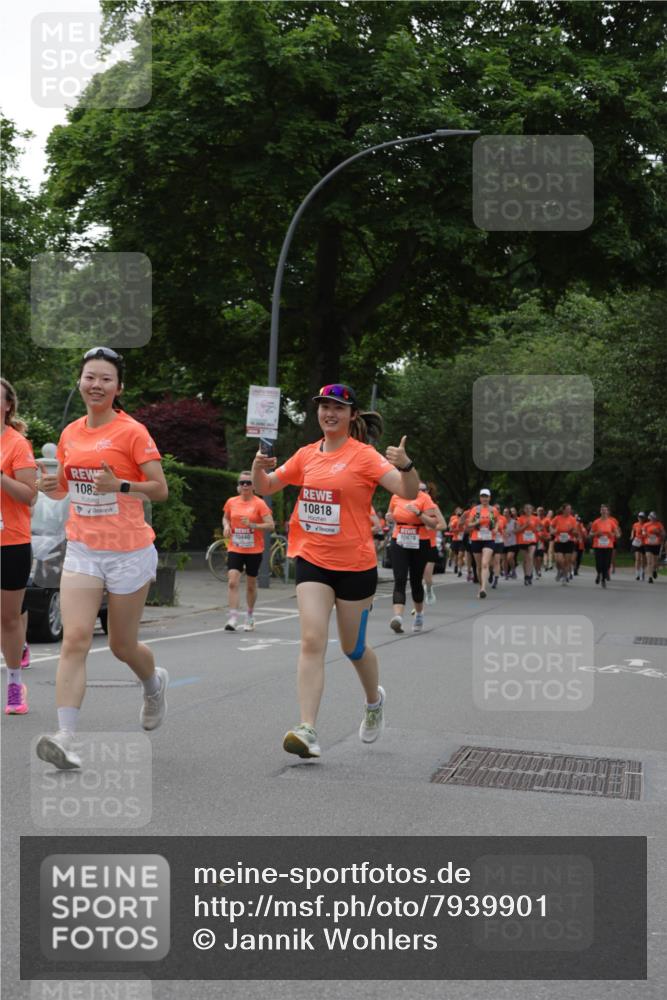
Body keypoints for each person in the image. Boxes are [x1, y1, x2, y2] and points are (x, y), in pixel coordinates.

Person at [252, 383, 420, 759]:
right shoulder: (305, 455)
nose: (330, 413)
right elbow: (267, 486)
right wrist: (257, 468)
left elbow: (406, 491)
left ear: (351, 416)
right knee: (312, 640)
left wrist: (406, 465)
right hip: (312, 559)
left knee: (353, 647)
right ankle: (307, 728)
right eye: (324, 406)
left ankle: (374, 701)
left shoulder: (365, 457)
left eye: (338, 408)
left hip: (356, 566)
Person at [35, 347, 169, 770]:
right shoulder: (71, 433)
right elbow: (69, 488)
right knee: (74, 639)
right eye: (90, 377)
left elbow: (160, 489)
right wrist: (50, 485)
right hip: (83, 549)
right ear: (80, 382)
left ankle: (152, 684)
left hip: (128, 551)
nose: (96, 384)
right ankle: (65, 736)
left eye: (105, 379)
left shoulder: (132, 432)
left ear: (118, 388)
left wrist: (122, 486)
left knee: (121, 645)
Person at [1, 378, 38, 715]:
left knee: (8, 618)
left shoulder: (17, 445)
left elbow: (30, 496)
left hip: (11, 541)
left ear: (8, 405)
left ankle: (14, 686)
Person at [222, 471, 274, 631]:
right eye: (242, 482)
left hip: (254, 550)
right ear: (238, 485)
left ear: (253, 486)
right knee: (232, 582)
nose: (245, 485)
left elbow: (271, 525)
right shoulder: (232, 502)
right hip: (235, 547)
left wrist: (254, 525)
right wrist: (226, 526)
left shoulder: (259, 504)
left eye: (248, 482)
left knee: (251, 585)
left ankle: (250, 616)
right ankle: (232, 617)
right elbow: (226, 517)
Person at [387, 483, 439, 632]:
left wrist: (419, 513)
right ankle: (398, 617)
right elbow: (390, 515)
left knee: (416, 580)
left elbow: (433, 523)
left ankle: (419, 614)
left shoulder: (425, 498)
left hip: (420, 541)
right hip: (399, 539)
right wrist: (389, 517)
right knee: (400, 578)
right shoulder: (396, 496)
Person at [466, 488, 500, 598]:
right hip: (476, 538)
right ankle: (481, 587)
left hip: (489, 539)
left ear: (489, 498)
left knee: (485, 563)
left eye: (486, 496)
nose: (484, 498)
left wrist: (495, 529)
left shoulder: (493, 510)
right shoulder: (475, 510)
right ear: (480, 498)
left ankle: (484, 588)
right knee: (479, 566)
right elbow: (469, 525)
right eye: (483, 496)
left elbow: (497, 521)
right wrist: (477, 522)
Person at [420, 482, 447, 603]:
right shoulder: (411, 505)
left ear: (428, 492)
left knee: (427, 577)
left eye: (423, 490)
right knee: (417, 576)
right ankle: (418, 600)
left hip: (430, 544)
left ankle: (429, 590)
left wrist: (432, 526)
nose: (421, 492)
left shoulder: (433, 507)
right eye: (418, 490)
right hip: (415, 545)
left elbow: (442, 526)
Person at [589, 505, 621, 588]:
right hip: (598, 545)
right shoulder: (596, 522)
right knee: (599, 563)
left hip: (608, 545)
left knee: (606, 563)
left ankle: (603, 579)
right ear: (600, 512)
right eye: (602, 510)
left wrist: (612, 534)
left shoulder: (611, 522)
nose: (603, 512)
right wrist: (596, 534)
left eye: (605, 510)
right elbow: (590, 534)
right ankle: (599, 574)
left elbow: (618, 535)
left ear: (607, 512)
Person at [550, 503, 578, 584]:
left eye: (570, 509)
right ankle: (560, 571)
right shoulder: (557, 518)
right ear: (563, 510)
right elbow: (551, 526)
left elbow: (576, 533)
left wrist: (572, 530)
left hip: (569, 541)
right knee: (559, 560)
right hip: (559, 541)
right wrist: (552, 531)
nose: (569, 510)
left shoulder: (573, 519)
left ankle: (565, 576)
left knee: (567, 561)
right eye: (568, 509)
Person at [516, 503, 540, 586]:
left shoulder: (536, 518)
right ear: (524, 510)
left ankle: (528, 576)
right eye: (526, 508)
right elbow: (517, 530)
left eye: (529, 508)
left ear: (532, 510)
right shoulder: (520, 519)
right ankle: (526, 575)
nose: (528, 510)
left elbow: (540, 528)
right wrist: (525, 526)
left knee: (530, 557)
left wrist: (536, 529)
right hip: (522, 541)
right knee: (526, 559)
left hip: (532, 540)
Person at [643, 512, 665, 583]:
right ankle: (650, 577)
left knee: (655, 562)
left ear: (655, 518)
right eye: (651, 517)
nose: (652, 519)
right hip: (648, 544)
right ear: (649, 518)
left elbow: (664, 534)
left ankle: (654, 570)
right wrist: (646, 534)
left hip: (656, 545)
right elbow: (643, 532)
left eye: (654, 518)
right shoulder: (646, 525)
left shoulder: (659, 524)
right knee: (649, 561)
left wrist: (658, 532)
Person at [631, 512, 647, 581]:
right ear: (638, 518)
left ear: (644, 518)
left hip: (643, 543)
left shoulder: (646, 525)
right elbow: (633, 530)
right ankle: (637, 574)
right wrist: (632, 536)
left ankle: (642, 572)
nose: (640, 518)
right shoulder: (635, 524)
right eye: (639, 517)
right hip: (636, 542)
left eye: (642, 517)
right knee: (637, 558)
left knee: (642, 559)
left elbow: (647, 533)